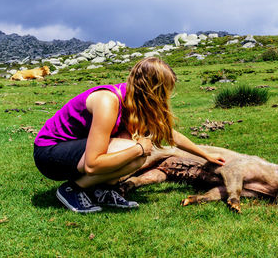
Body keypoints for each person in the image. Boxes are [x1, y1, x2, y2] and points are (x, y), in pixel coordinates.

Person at [33, 57, 225, 213]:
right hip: (50, 154)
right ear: (153, 91)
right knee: (137, 150)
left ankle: (102, 189)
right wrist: (139, 148)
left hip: (75, 151)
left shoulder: (133, 101)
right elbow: (92, 164)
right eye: (164, 92)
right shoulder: (108, 101)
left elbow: (168, 133)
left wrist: (205, 155)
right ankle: (73, 189)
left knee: (136, 147)